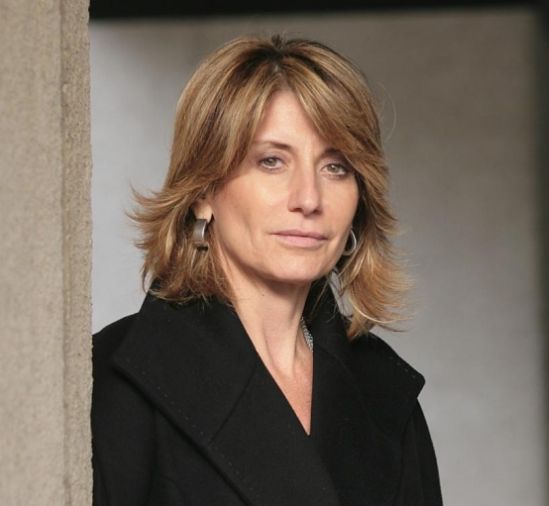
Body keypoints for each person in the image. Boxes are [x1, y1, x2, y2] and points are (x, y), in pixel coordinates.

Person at [91, 34, 442, 506]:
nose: (309, 198)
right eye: (272, 161)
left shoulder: (384, 391)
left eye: (336, 167)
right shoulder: (116, 380)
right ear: (203, 192)